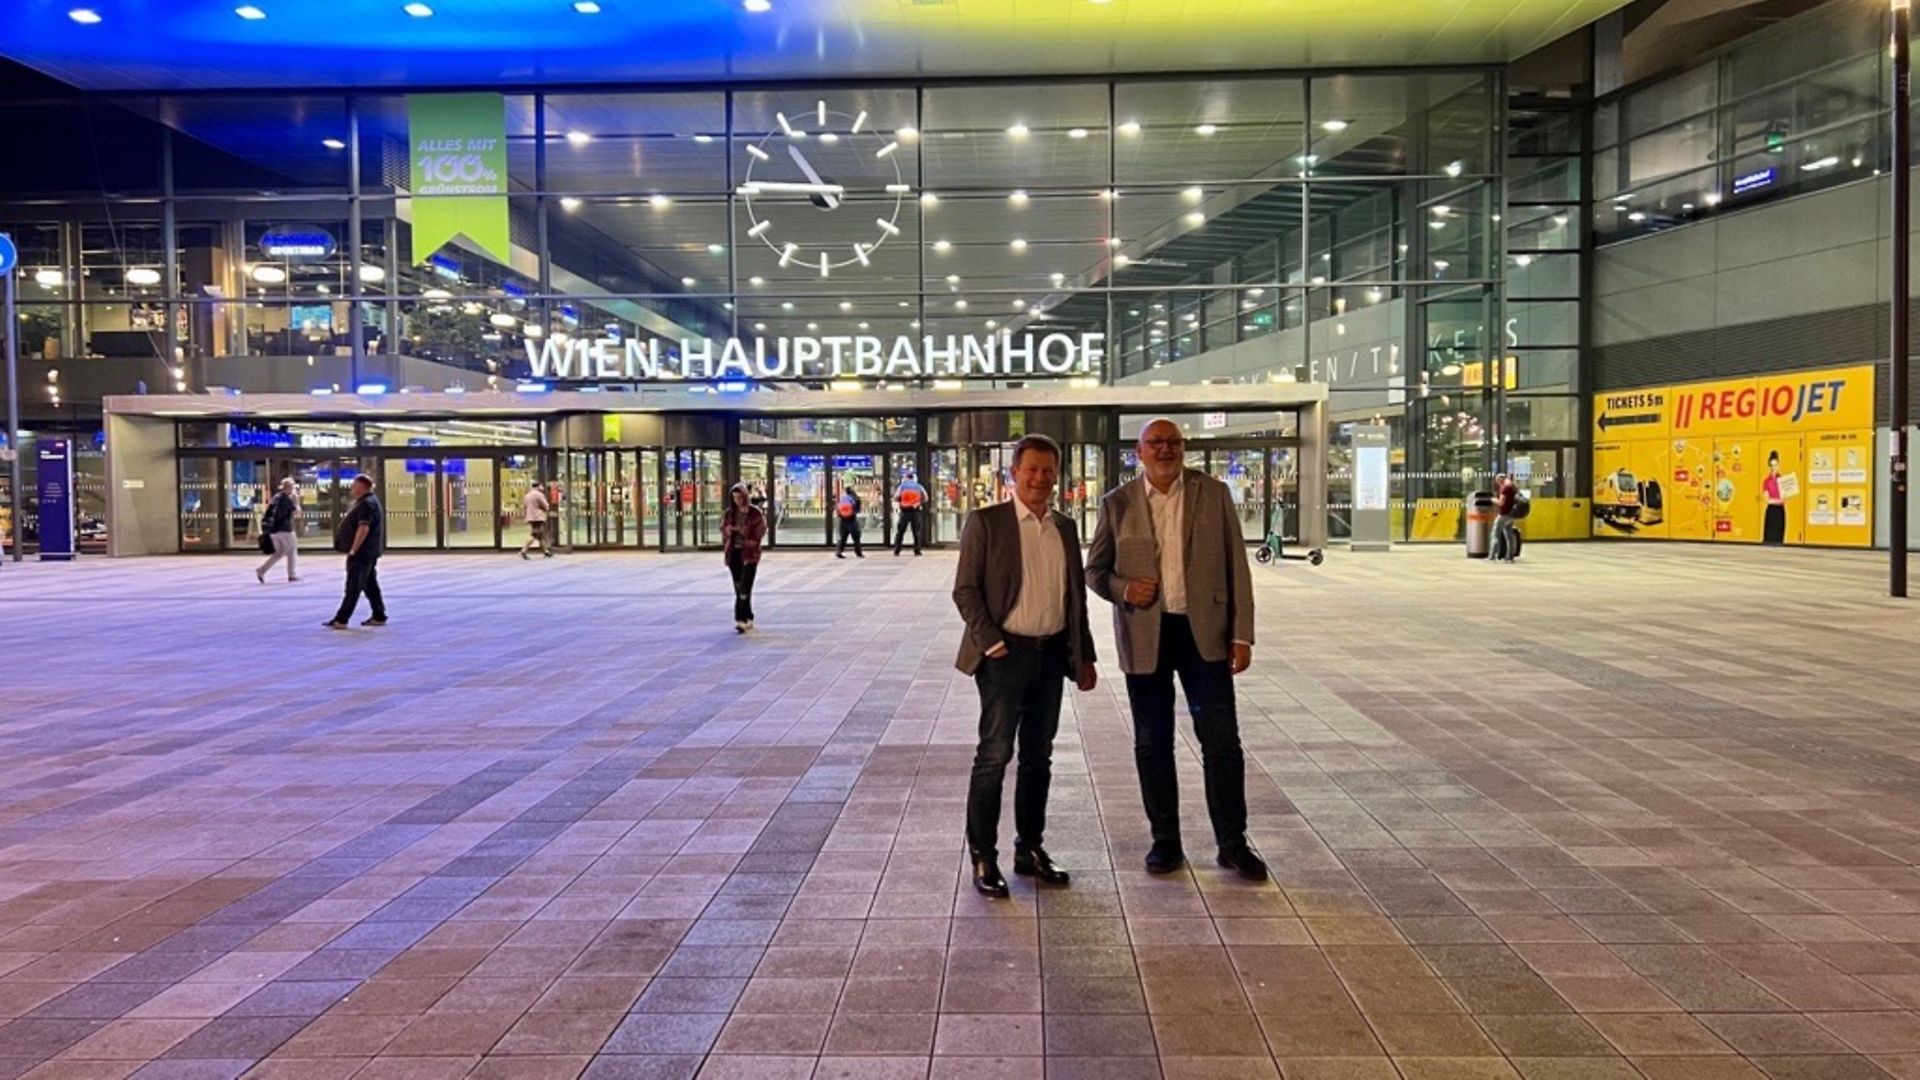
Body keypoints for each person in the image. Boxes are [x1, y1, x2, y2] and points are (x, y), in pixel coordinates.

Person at [1086, 418, 1265, 881]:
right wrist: (1126, 589)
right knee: (1153, 741)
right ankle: (1165, 840)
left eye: (1173, 442)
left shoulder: (1213, 493)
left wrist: (1241, 634)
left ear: (1183, 448)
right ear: (1139, 452)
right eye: (1155, 443)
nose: (1165, 450)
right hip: (1147, 636)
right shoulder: (1117, 502)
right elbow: (1095, 571)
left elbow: (1236, 567)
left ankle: (1232, 842)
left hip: (1204, 634)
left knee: (1222, 741)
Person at [952, 434, 1098, 899]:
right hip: (1004, 656)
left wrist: (1084, 655)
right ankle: (983, 856)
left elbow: (1074, 599)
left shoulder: (1066, 528)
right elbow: (966, 590)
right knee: (994, 754)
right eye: (1031, 469)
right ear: (1013, 473)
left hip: (1051, 655)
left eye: (1048, 471)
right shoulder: (987, 522)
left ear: (1058, 476)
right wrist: (990, 640)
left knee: (1040, 756)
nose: (1040, 478)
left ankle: (1028, 848)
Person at [326, 474, 387, 629]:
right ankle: (379, 615)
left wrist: (354, 549)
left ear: (362, 486)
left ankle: (342, 619)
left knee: (353, 586)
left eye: (354, 484)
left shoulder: (367, 504)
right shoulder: (367, 501)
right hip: (367, 552)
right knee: (370, 584)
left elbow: (363, 527)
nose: (352, 487)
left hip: (362, 553)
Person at [721, 482, 766, 633]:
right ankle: (747, 616)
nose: (737, 501)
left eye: (740, 497)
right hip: (734, 553)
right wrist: (730, 530)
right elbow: (723, 528)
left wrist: (744, 532)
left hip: (749, 554)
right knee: (738, 586)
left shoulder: (755, 513)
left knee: (745, 587)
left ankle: (741, 618)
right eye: (734, 498)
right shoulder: (730, 513)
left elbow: (760, 531)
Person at [255, 478, 300, 584]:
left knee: (281, 552)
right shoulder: (286, 499)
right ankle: (291, 575)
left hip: (274, 529)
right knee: (291, 549)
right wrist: (296, 501)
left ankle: (262, 570)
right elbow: (297, 512)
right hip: (285, 529)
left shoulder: (276, 497)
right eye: (292, 487)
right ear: (289, 488)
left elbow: (269, 512)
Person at [893, 473, 928, 556]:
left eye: (904, 477)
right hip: (915, 511)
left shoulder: (902, 486)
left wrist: (902, 501)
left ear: (907, 478)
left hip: (905, 511)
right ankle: (917, 550)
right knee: (916, 531)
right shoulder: (919, 486)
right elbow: (926, 498)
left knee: (901, 531)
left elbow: (896, 497)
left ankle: (897, 550)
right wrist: (918, 502)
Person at [1489, 473, 1519, 563]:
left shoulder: (1504, 488)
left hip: (1503, 515)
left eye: (1497, 481)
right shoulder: (1512, 488)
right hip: (1510, 515)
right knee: (1509, 537)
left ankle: (1491, 556)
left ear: (1500, 480)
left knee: (1495, 535)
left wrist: (1493, 500)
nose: (1497, 483)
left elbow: (1501, 503)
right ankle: (1509, 557)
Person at [520, 481, 553, 560]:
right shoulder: (539, 495)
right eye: (541, 486)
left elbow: (524, 507)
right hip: (538, 517)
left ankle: (546, 551)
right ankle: (524, 550)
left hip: (530, 517)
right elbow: (546, 506)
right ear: (538, 486)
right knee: (534, 534)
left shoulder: (527, 495)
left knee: (540, 535)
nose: (542, 488)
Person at [1762, 451, 1787, 545]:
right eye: (1771, 465)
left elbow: (1783, 499)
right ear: (1769, 466)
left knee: (1779, 538)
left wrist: (1774, 500)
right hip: (1771, 511)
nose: (1774, 468)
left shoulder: (1783, 480)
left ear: (1778, 465)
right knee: (1769, 538)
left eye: (1775, 465)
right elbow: (1767, 499)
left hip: (1780, 511)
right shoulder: (1766, 481)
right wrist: (1778, 500)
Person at [835, 484, 864, 559]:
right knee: (856, 536)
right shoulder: (854, 498)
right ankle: (858, 552)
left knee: (843, 537)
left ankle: (839, 551)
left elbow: (838, 509)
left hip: (842, 520)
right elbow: (858, 509)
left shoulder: (842, 498)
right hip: (851, 519)